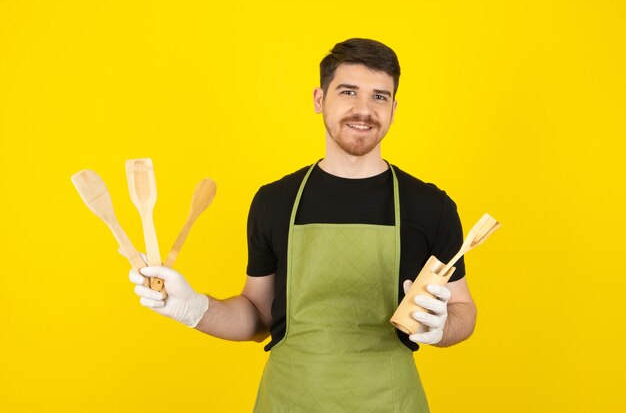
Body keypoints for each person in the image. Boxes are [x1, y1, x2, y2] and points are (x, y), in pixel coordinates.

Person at [130, 38, 477, 412]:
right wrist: (192, 308)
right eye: (348, 92)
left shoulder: (430, 206)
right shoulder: (275, 201)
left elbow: (463, 310)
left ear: (394, 109)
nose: (364, 109)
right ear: (319, 99)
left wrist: (440, 329)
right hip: (289, 401)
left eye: (379, 96)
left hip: (390, 401)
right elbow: (258, 315)